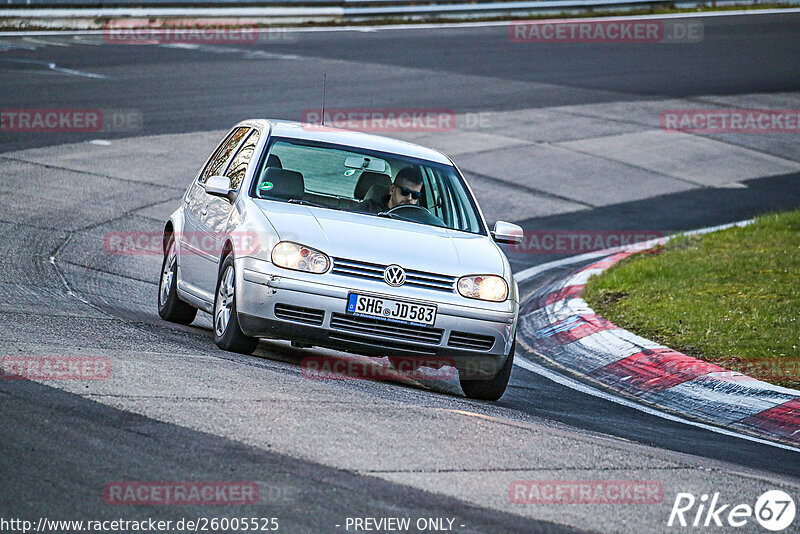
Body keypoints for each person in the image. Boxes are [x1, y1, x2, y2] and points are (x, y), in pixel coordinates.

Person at [356, 167, 424, 214]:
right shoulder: (368, 208)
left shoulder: (419, 219)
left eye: (415, 195)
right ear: (392, 189)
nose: (409, 198)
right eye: (405, 191)